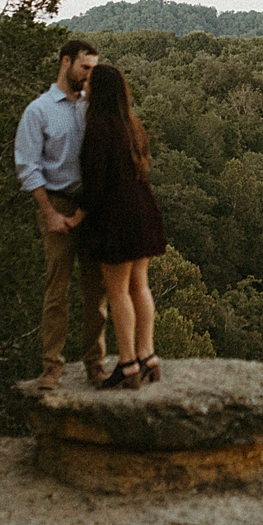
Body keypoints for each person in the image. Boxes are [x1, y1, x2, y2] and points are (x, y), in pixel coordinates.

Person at [14, 38, 109, 390]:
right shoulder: (38, 111)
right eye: (85, 68)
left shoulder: (91, 107)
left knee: (95, 291)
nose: (89, 76)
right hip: (56, 204)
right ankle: (52, 366)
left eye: (94, 70)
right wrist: (49, 212)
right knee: (57, 290)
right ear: (66, 61)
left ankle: (95, 364)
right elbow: (27, 165)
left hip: (91, 207)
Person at [71, 63, 168, 389]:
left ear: (99, 90)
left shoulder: (100, 127)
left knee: (117, 291)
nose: (85, 89)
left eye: (89, 85)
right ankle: (148, 357)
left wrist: (78, 215)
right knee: (140, 286)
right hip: (143, 211)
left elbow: (95, 184)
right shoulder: (132, 124)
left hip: (117, 217)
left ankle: (127, 364)